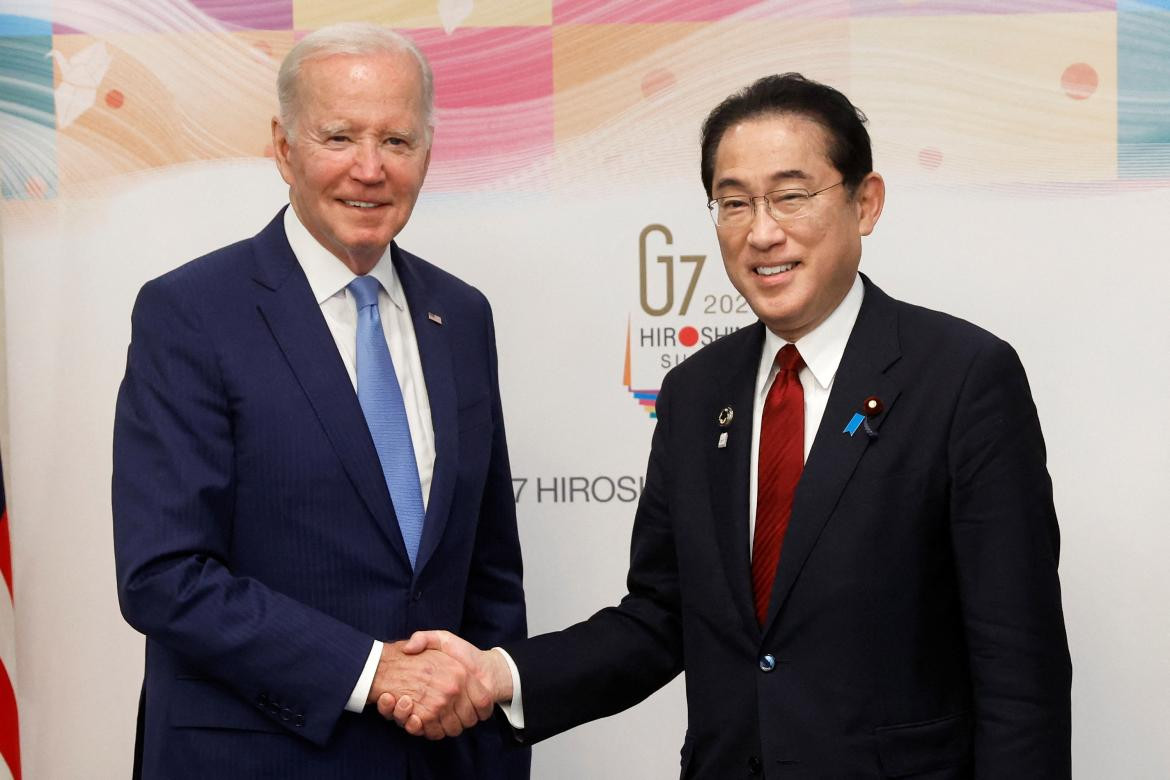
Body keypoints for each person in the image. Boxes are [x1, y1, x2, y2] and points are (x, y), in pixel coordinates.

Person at [390, 73, 1072, 778]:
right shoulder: (694, 392)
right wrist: (502, 674)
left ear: (864, 203)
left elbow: (1019, 668)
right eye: (734, 202)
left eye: (792, 195)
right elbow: (660, 617)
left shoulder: (962, 378)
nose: (762, 231)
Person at [111, 22, 528, 780]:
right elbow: (164, 575)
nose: (369, 169)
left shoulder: (462, 316)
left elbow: (490, 572)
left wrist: (492, 736)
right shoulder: (192, 313)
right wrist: (372, 671)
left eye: (397, 142)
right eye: (339, 136)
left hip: (444, 765)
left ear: (427, 153)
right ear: (284, 148)